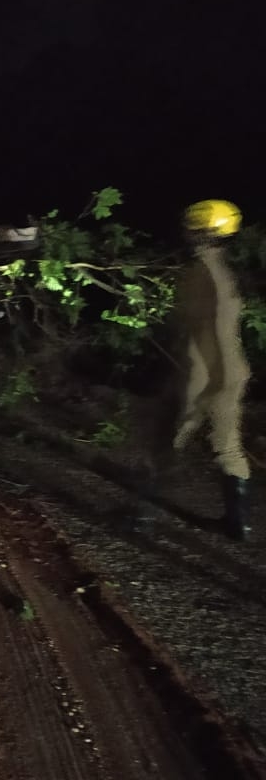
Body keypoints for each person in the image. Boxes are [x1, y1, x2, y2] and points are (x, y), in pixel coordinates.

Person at [172, 199, 253, 540]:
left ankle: (139, 509)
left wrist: (204, 386)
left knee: (172, 435)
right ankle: (239, 524)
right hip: (232, 371)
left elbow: (211, 336)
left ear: (204, 231)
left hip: (211, 372)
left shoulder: (202, 273)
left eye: (194, 228)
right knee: (228, 446)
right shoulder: (221, 269)